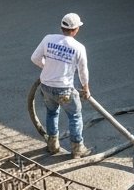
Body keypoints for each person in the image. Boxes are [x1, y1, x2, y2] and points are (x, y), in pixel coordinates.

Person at [30, 12, 92, 158]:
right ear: (76, 29)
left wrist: (47, 68)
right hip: (64, 90)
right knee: (75, 116)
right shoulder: (79, 47)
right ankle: (77, 148)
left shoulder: (48, 39)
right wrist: (86, 88)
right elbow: (83, 71)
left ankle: (52, 145)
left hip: (45, 86)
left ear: (61, 27)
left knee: (51, 113)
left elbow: (35, 58)